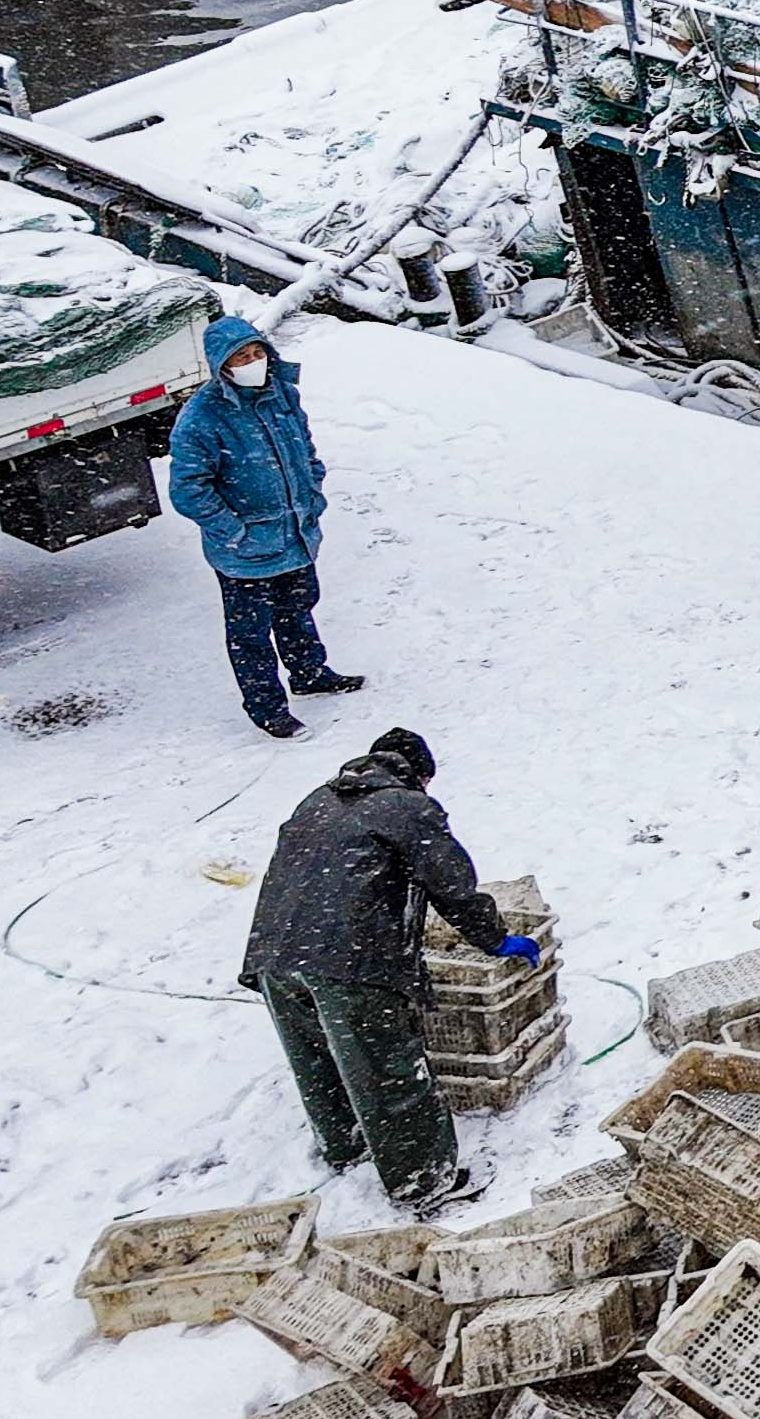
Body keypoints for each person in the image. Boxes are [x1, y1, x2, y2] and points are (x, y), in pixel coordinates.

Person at [239, 727, 538, 1213]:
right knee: (389, 1069)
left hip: (277, 954)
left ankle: (346, 1144)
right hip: (350, 959)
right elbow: (452, 887)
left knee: (319, 1059)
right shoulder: (409, 807)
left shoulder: (317, 800)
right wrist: (495, 938)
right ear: (419, 776)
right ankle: (425, 1180)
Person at [165, 311, 362, 739]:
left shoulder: (282, 396)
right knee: (250, 634)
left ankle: (309, 673)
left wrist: (312, 495)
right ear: (222, 367)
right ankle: (267, 708)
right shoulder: (202, 418)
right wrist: (236, 533)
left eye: (258, 352)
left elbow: (305, 449)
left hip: (295, 536)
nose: (253, 362)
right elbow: (188, 492)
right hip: (247, 554)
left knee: (298, 607)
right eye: (241, 357)